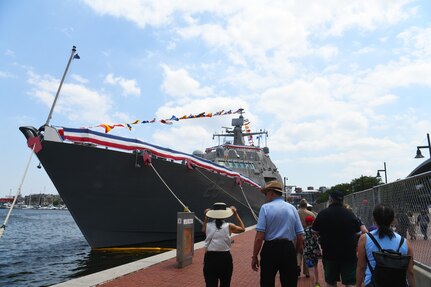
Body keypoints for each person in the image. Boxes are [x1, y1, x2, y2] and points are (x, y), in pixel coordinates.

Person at [251, 180, 304, 287]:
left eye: (266, 193)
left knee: (267, 281)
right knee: (289, 282)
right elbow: (300, 236)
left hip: (270, 248)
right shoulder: (292, 208)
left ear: (271, 193)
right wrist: (295, 252)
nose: (266, 196)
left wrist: (254, 256)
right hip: (288, 248)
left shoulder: (265, 208)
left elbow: (259, 237)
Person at [356, 204, 415, 287]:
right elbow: (410, 272)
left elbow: (361, 267)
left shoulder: (365, 238)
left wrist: (358, 285)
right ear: (393, 220)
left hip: (373, 283)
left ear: (374, 219)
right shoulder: (404, 242)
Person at [312, 190, 361, 287]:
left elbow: (314, 231)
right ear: (342, 201)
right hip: (349, 254)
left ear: (330, 200)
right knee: (350, 282)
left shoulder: (323, 214)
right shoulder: (350, 214)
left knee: (330, 282)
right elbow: (358, 232)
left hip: (330, 253)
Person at [202, 202, 245, 287]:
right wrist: (236, 214)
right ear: (225, 214)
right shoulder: (229, 226)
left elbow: (203, 230)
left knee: (210, 284)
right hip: (225, 258)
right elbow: (243, 229)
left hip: (210, 257)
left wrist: (206, 217)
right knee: (225, 284)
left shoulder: (208, 226)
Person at [297, 198, 316, 278]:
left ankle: (297, 266)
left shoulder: (295, 212)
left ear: (299, 205)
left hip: (297, 233)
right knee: (307, 251)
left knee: (297, 251)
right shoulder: (311, 214)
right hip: (308, 234)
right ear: (306, 205)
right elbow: (315, 225)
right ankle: (307, 272)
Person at [304, 215, 322, 287]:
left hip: (307, 250)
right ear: (313, 222)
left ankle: (313, 281)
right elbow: (319, 240)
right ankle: (316, 281)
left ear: (306, 222)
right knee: (315, 266)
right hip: (315, 250)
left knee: (309, 266)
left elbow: (303, 240)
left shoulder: (304, 231)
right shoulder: (315, 231)